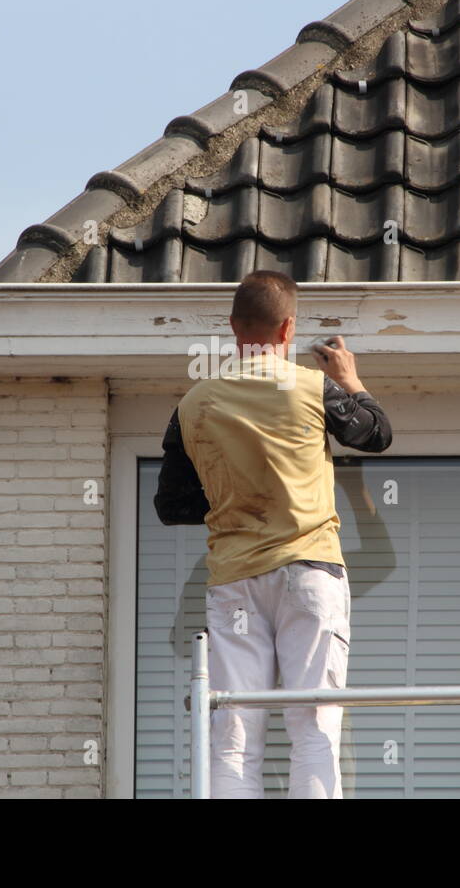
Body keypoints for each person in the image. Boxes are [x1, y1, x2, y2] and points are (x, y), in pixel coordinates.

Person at [154, 270, 393, 798]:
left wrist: (233, 501)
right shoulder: (313, 387)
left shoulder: (193, 404)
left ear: (234, 328)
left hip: (235, 581)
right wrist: (352, 380)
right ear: (288, 329)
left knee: (234, 733)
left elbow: (170, 506)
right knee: (314, 727)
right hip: (311, 573)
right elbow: (377, 434)